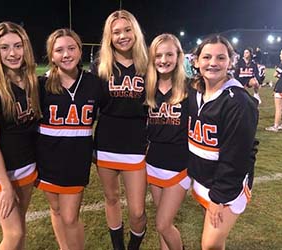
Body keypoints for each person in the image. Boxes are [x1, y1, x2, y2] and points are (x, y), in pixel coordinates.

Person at [188, 35, 259, 250]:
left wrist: (219, 198)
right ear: (197, 61)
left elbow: (237, 157)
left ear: (230, 61)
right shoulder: (194, 92)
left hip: (227, 187)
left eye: (221, 57)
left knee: (209, 245)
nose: (213, 63)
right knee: (217, 244)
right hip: (204, 178)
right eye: (207, 57)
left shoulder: (238, 101)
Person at [35, 28, 103, 250]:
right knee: (55, 210)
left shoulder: (94, 83)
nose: (66, 54)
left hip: (76, 160)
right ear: (52, 55)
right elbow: (22, 117)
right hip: (47, 159)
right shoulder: (40, 85)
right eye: (59, 50)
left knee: (70, 218)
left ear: (80, 51)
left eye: (71, 48)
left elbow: (111, 115)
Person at [0, 21, 41, 250]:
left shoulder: (32, 83)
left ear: (26, 47)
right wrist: (5, 186)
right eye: (4, 48)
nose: (12, 53)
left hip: (26, 168)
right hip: (1, 174)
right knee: (13, 234)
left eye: (17, 45)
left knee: (20, 230)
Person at [91, 10, 148, 250]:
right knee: (112, 198)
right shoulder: (99, 66)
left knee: (137, 210)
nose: (122, 36)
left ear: (135, 32)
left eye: (127, 30)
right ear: (109, 36)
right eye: (116, 32)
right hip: (106, 143)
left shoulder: (148, 64)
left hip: (136, 143)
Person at [145, 33, 190, 250]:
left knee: (163, 224)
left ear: (178, 56)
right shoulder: (147, 88)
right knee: (164, 223)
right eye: (158, 55)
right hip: (153, 163)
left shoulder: (191, 89)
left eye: (169, 54)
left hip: (179, 165)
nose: (163, 60)